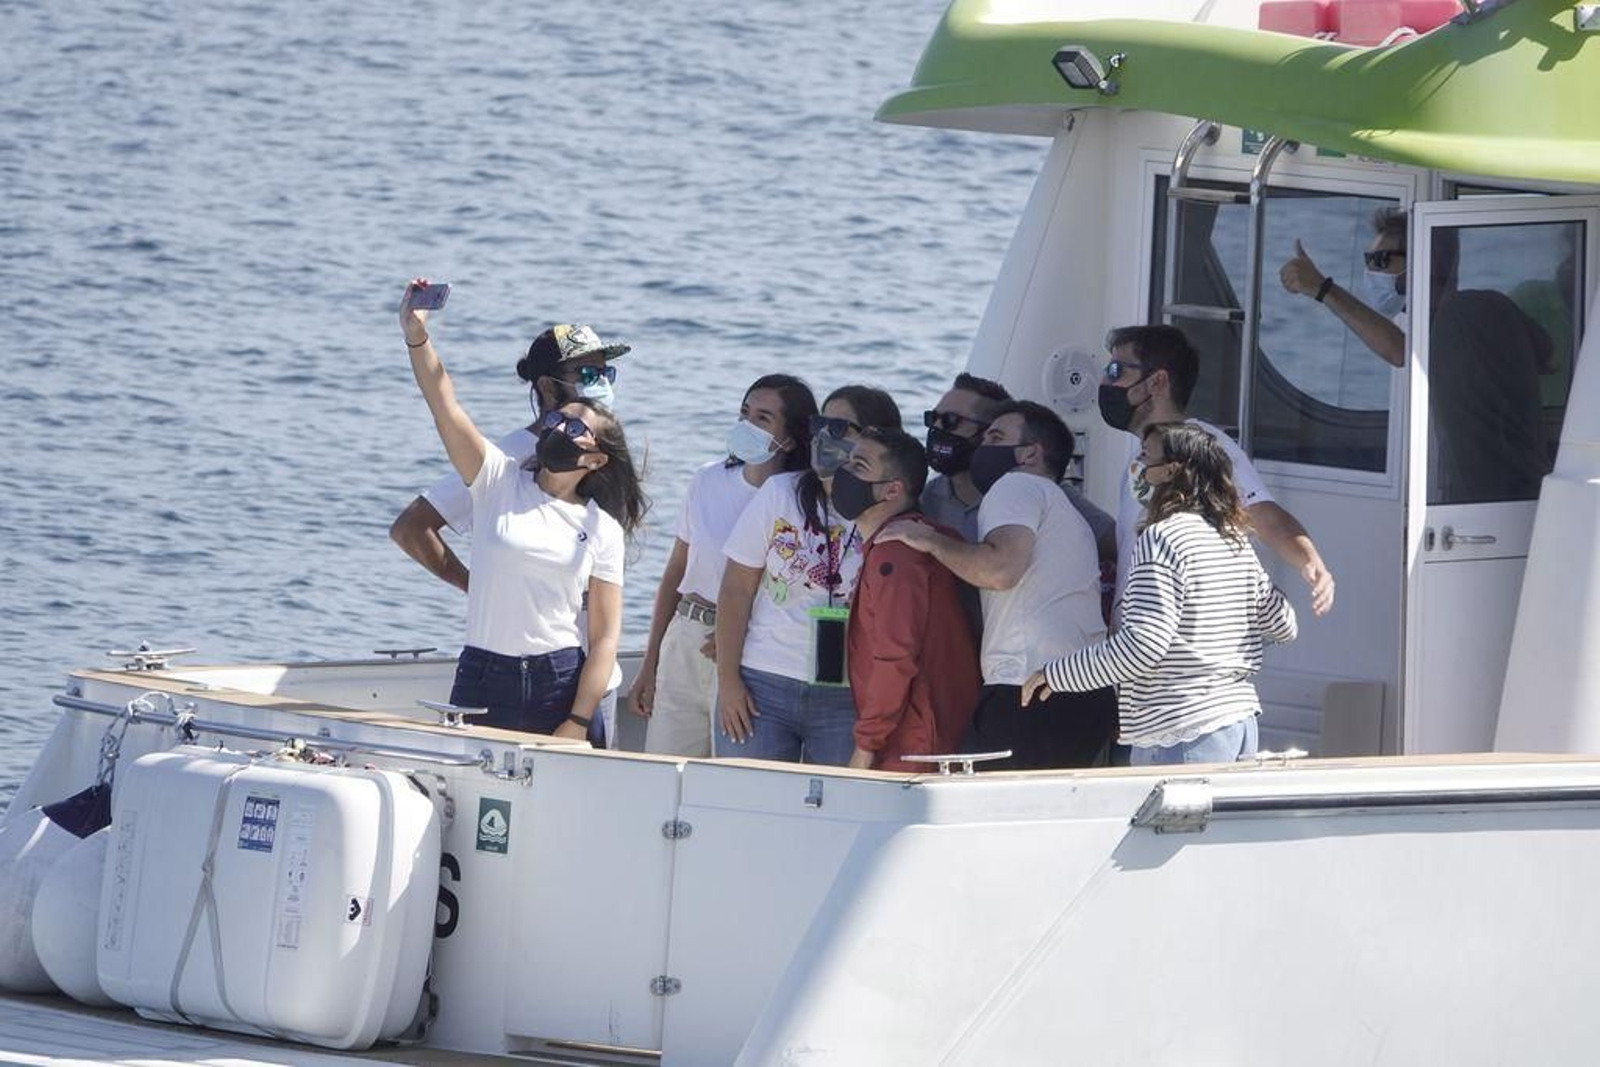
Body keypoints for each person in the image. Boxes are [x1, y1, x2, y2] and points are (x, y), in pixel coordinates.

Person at [398, 279, 646, 737]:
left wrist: (577, 718)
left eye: (604, 375)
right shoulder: (500, 472)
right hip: (488, 671)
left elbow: (607, 634)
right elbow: (443, 405)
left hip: (573, 676)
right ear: (548, 391)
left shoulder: (600, 521)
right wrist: (416, 334)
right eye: (586, 376)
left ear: (597, 459)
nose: (598, 388)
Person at [1023, 422, 1298, 765]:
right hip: (1238, 721)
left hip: (1183, 727)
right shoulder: (1232, 539)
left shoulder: (1162, 539)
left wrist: (1059, 674)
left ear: (1171, 472)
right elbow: (1283, 624)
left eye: (1145, 456)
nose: (1136, 466)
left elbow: (1144, 645)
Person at [879, 401, 1117, 770]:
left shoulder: (1016, 485)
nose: (982, 446)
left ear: (1030, 453)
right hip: (1081, 688)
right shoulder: (1062, 507)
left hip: (1030, 688)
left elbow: (1000, 570)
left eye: (995, 436)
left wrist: (929, 540)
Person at [1280, 209, 1551, 503]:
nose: (1371, 272)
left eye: (1381, 261)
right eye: (1368, 261)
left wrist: (1324, 290)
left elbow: (1398, 350)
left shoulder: (1466, 313)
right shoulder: (1491, 308)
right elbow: (1551, 358)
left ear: (1424, 261)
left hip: (1498, 502)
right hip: (1502, 497)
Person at [630, 375, 818, 757]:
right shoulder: (708, 479)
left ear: (792, 437)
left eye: (763, 418)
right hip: (685, 636)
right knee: (663, 769)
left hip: (744, 651)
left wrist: (736, 640)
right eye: (745, 413)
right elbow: (676, 572)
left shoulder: (798, 499)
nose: (747, 425)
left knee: (725, 779)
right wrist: (650, 663)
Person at [715, 386, 902, 765]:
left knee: (836, 810)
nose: (823, 436)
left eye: (839, 427)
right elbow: (736, 589)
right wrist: (728, 681)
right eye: (820, 424)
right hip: (762, 684)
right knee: (752, 806)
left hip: (846, 694)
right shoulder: (780, 492)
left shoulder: (890, 509)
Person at [1100, 324, 1336, 617]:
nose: (1103, 381)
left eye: (1115, 372)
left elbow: (1264, 514)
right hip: (1138, 637)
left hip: (1174, 643)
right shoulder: (1139, 461)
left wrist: (1310, 561)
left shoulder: (1203, 447)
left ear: (1156, 381)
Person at [921, 372, 1116, 629]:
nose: (937, 430)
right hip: (959, 652)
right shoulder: (927, 500)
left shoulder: (1045, 494)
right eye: (932, 419)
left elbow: (1116, 544)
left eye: (951, 421)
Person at [833, 427, 979, 771]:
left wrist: (865, 746)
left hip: (911, 741)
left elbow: (895, 657)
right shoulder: (913, 539)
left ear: (892, 490)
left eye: (859, 466)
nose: (845, 473)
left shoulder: (896, 554)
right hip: (920, 732)